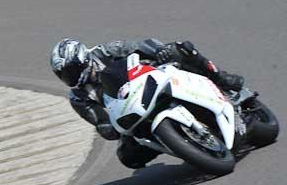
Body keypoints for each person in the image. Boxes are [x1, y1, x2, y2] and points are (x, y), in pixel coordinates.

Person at [50, 38, 245, 169]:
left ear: (83, 59)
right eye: (64, 75)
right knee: (127, 157)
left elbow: (142, 44)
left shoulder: (106, 51)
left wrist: (159, 52)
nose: (70, 77)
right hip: (130, 113)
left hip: (151, 81)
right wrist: (107, 128)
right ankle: (181, 144)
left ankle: (220, 77)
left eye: (71, 70)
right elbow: (101, 123)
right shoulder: (78, 98)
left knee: (179, 48)